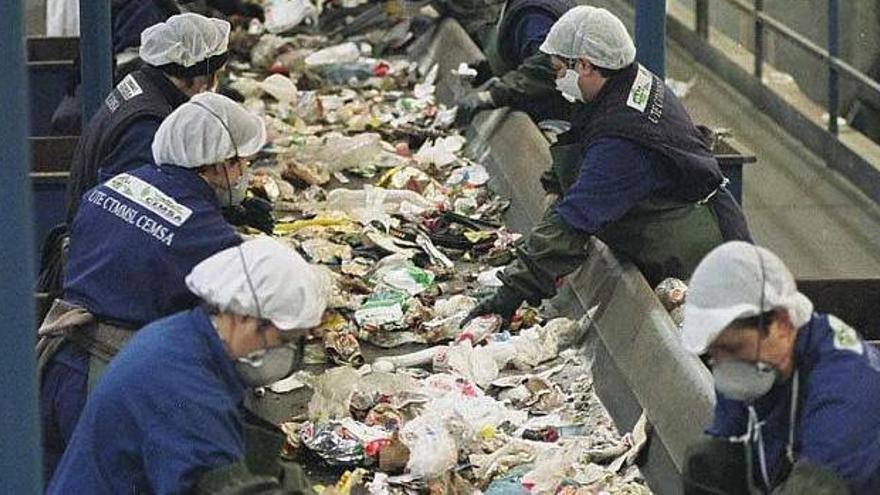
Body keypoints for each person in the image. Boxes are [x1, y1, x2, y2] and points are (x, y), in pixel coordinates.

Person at [466, 6, 751, 322]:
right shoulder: (628, 82)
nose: (557, 79)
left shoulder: (623, 139)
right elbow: (583, 147)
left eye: (560, 70)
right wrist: (555, 184)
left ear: (585, 65)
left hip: (700, 256)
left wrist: (510, 292)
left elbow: (573, 224)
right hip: (695, 233)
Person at [36, 92, 266, 484]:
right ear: (218, 165)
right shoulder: (206, 235)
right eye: (243, 162)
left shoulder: (118, 184)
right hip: (107, 376)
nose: (247, 172)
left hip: (58, 365)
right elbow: (242, 312)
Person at [48, 238, 325, 494]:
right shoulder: (185, 391)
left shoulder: (186, 335)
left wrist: (285, 480)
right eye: (284, 339)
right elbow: (220, 480)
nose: (287, 355)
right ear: (244, 318)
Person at [680, 241, 880, 494]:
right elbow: (728, 436)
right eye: (715, 353)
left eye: (733, 348)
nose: (724, 365)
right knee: (708, 460)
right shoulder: (750, 366)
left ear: (783, 324)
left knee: (811, 488)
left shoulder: (845, 387)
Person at [444, 0, 576, 125]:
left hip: (564, 117)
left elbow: (550, 65)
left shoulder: (533, 14)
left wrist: (491, 96)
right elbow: (526, 55)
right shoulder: (522, 8)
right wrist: (484, 71)